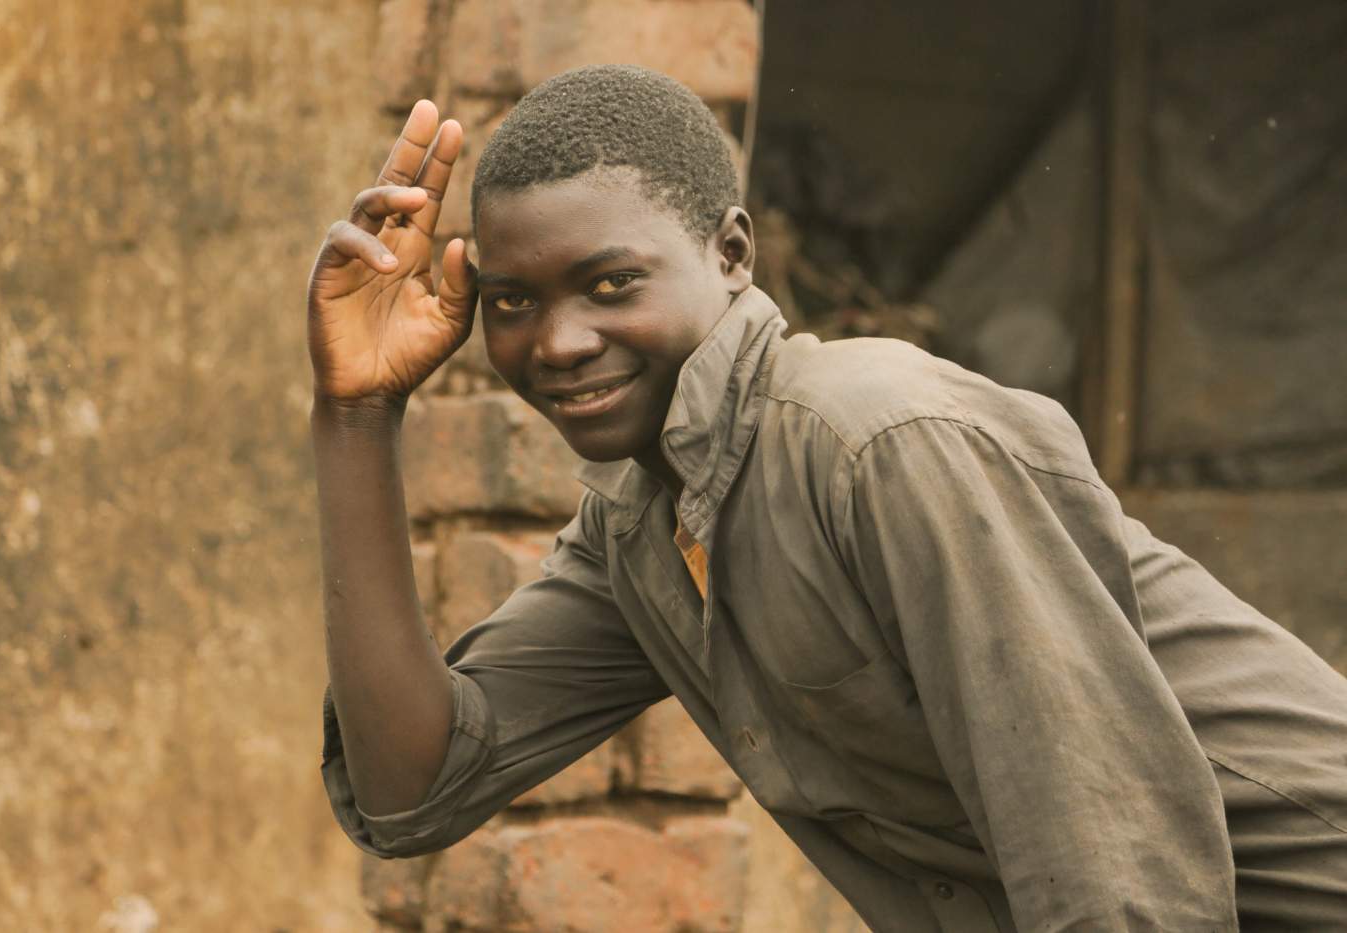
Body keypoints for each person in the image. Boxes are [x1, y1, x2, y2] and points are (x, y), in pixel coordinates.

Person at [307, 65, 1347, 930]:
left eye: (611, 283)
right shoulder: (646, 529)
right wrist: (357, 417)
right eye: (512, 302)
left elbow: (1115, 878)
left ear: (730, 254)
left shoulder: (878, 439)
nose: (559, 340)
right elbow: (413, 786)